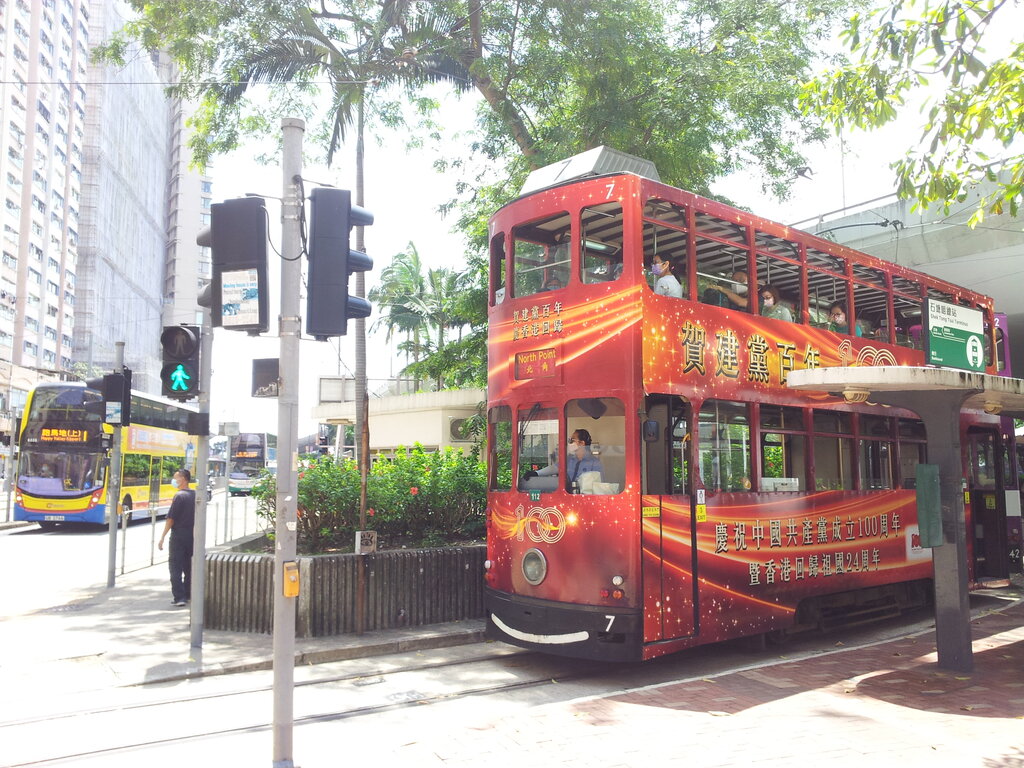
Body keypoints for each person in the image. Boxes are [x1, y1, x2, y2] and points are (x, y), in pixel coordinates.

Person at [158, 469, 196, 607]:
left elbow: (171, 519)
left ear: (184, 479)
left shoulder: (179, 496)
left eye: (176, 478)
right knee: (189, 566)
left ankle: (179, 597)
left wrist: (162, 536)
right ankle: (188, 593)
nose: (174, 481)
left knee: (175, 566)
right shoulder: (195, 495)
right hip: (192, 535)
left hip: (178, 535)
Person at [523, 428, 603, 491]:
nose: (569, 443)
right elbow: (555, 468)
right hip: (567, 496)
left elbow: (597, 486)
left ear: (582, 443)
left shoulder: (594, 463)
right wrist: (536, 473)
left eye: (572, 440)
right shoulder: (569, 459)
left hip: (583, 500)